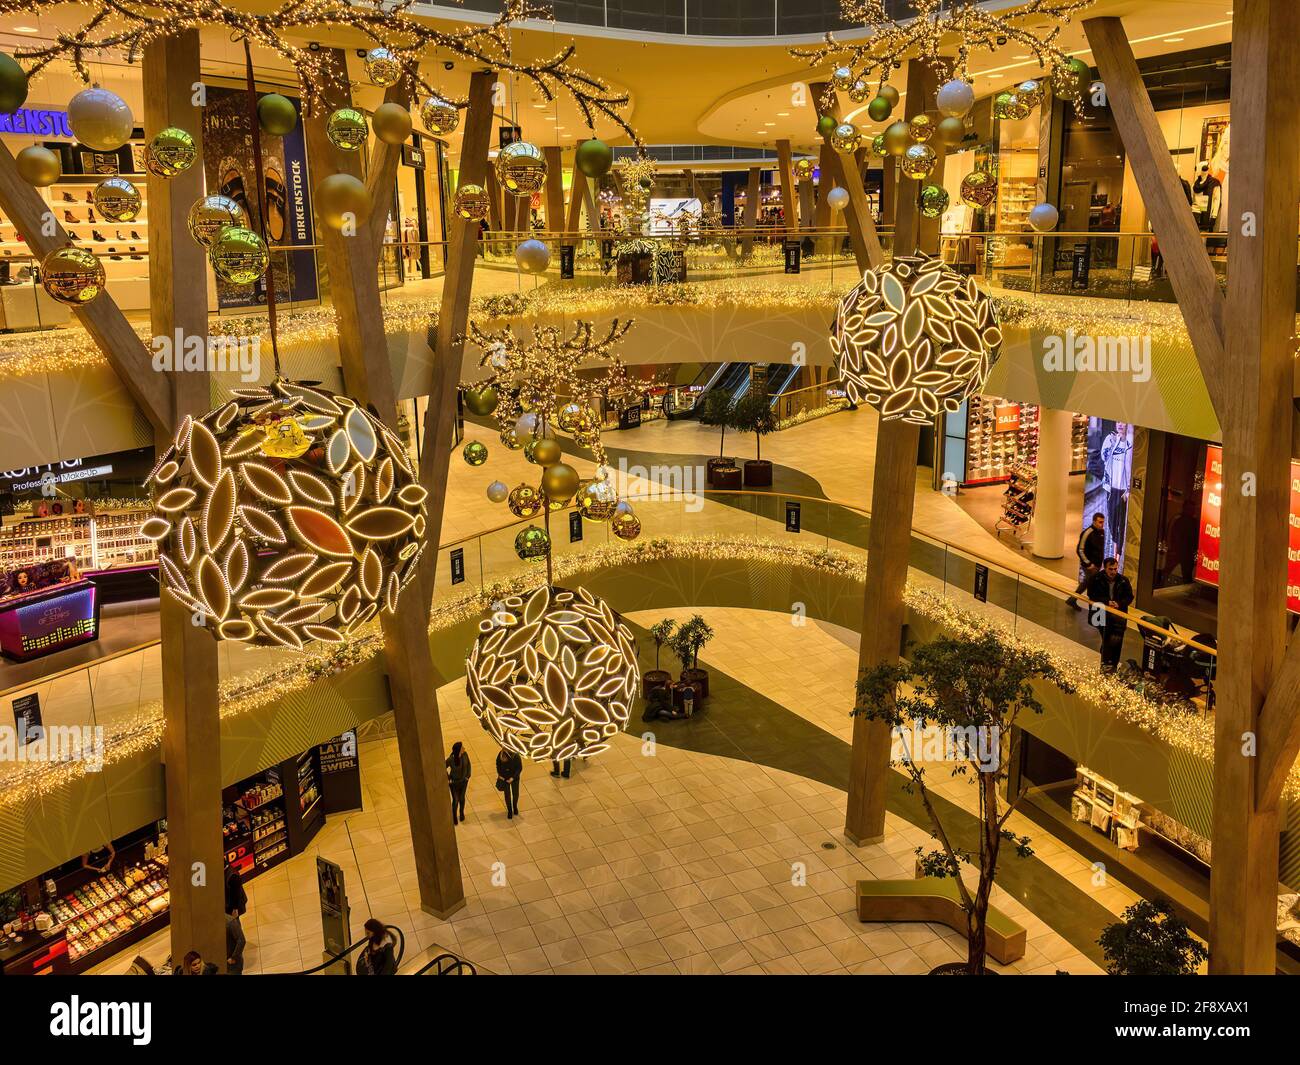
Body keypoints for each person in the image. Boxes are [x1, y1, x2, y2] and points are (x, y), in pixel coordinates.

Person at [1087, 557, 1134, 673]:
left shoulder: (1123, 580)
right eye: (1110, 569)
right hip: (1100, 613)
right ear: (1105, 568)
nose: (1113, 572)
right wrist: (1107, 602)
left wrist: (1119, 604)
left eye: (1115, 569)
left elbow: (1129, 597)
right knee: (1107, 638)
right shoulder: (1096, 578)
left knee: (1114, 639)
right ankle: (1107, 662)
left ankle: (1111, 664)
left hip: (1117, 615)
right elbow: (1091, 595)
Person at [1067, 512, 1105, 609]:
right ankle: (1092, 605)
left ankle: (1072, 599)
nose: (1102, 524)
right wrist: (1088, 563)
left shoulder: (1102, 532)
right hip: (1090, 565)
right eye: (1100, 522)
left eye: (1103, 522)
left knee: (1087, 583)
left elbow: (1100, 549)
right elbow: (1080, 549)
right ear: (1094, 522)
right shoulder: (1087, 533)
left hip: (1097, 564)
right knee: (1090, 583)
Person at [446, 741, 471, 824]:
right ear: (458, 750)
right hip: (454, 783)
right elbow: (443, 766)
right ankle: (454, 817)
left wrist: (468, 776)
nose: (464, 748)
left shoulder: (465, 755)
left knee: (462, 798)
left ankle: (461, 813)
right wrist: (448, 777)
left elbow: (469, 765)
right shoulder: (451, 759)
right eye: (462, 748)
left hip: (463, 782)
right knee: (456, 800)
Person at [496, 746, 523, 819]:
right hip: (505, 779)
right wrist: (500, 775)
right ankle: (510, 811)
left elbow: (519, 768)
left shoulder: (516, 756)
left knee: (515, 794)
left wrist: (512, 778)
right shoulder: (500, 754)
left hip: (514, 778)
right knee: (507, 796)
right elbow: (498, 765)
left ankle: (515, 806)